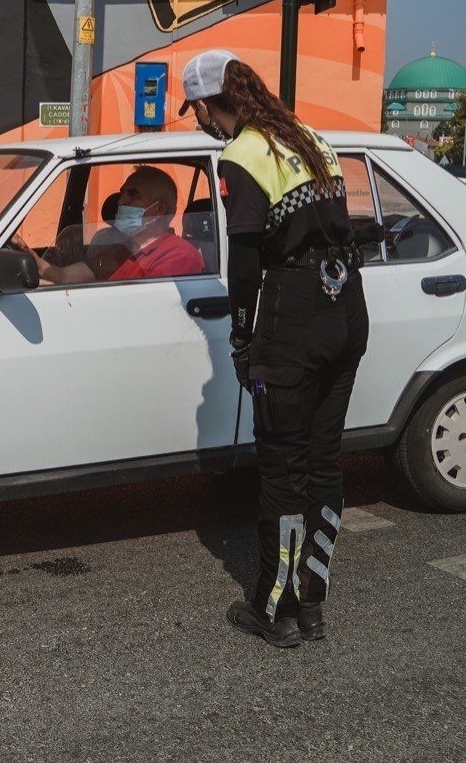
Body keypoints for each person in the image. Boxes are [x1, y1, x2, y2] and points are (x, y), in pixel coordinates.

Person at [179, 48, 370, 649]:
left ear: (213, 105)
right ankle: (312, 605)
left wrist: (242, 335)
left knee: (283, 472)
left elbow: (244, 262)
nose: (199, 122)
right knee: (322, 462)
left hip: (294, 317)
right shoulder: (307, 136)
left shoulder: (241, 154)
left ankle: (271, 607)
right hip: (347, 308)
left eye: (197, 111)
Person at [21, 166, 204, 284]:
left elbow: (149, 309)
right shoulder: (119, 250)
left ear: (160, 209)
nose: (121, 201)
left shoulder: (180, 256)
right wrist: (24, 253)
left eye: (133, 195)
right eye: (122, 193)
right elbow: (62, 276)